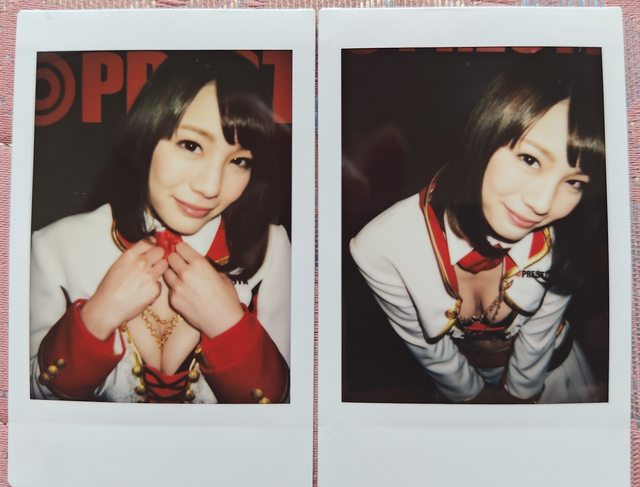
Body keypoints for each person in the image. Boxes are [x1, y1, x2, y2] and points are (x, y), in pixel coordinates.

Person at [30, 51, 290, 404]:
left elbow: (288, 408)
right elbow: (27, 400)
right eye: (191, 145)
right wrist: (96, 318)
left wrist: (229, 326)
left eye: (239, 161)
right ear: (147, 135)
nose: (210, 186)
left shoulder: (272, 249)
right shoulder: (55, 246)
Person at [350, 53, 605, 404]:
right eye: (530, 159)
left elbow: (537, 344)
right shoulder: (380, 247)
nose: (543, 203)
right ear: (484, 134)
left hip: (555, 379)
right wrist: (474, 400)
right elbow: (429, 350)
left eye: (574, 182)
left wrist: (520, 400)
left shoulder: (563, 238)